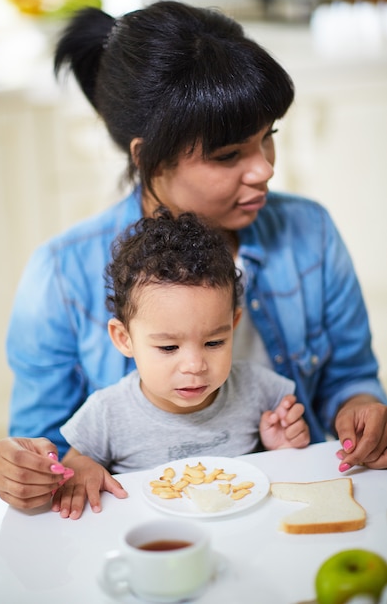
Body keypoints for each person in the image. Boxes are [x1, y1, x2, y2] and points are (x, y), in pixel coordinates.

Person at [0, 1, 387, 511]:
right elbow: (44, 443)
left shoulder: (310, 230)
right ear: (145, 157)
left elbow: (349, 374)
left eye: (268, 138)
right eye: (227, 156)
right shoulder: (60, 275)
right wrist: (29, 469)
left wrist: (361, 408)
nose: (264, 169)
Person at [47, 208, 310, 518]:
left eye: (214, 342)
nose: (195, 365)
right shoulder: (107, 412)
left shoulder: (259, 388)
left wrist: (280, 448)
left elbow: (288, 476)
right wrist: (79, 468)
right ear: (123, 339)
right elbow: (73, 465)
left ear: (234, 324)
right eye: (169, 347)